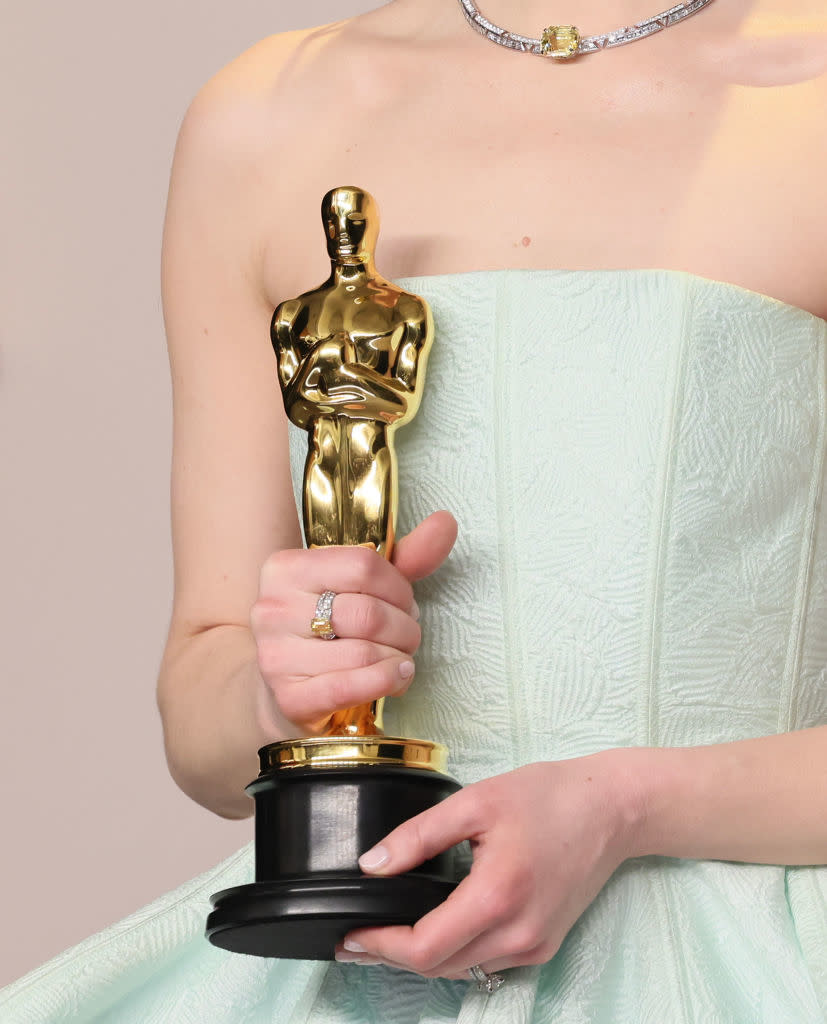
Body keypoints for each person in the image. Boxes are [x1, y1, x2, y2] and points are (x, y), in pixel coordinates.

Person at [2, 1, 827, 1021]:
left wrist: (626, 803)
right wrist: (284, 689)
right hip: (356, 959)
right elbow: (201, 703)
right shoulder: (263, 116)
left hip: (744, 965)